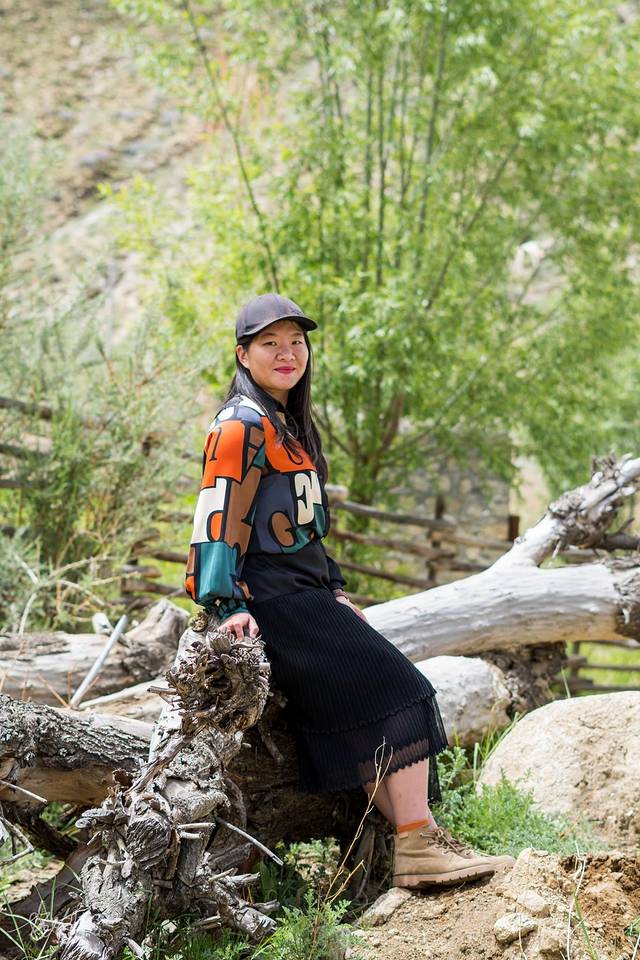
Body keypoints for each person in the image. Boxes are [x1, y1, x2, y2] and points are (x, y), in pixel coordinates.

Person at [185, 292, 515, 888]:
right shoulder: (241, 424)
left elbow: (303, 528)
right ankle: (419, 843)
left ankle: (418, 841)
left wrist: (335, 589)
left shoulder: (286, 424)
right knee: (402, 691)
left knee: (367, 712)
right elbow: (217, 514)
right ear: (242, 354)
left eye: (297, 342)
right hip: (272, 602)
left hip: (306, 596)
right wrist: (226, 604)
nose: (287, 353)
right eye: (270, 343)